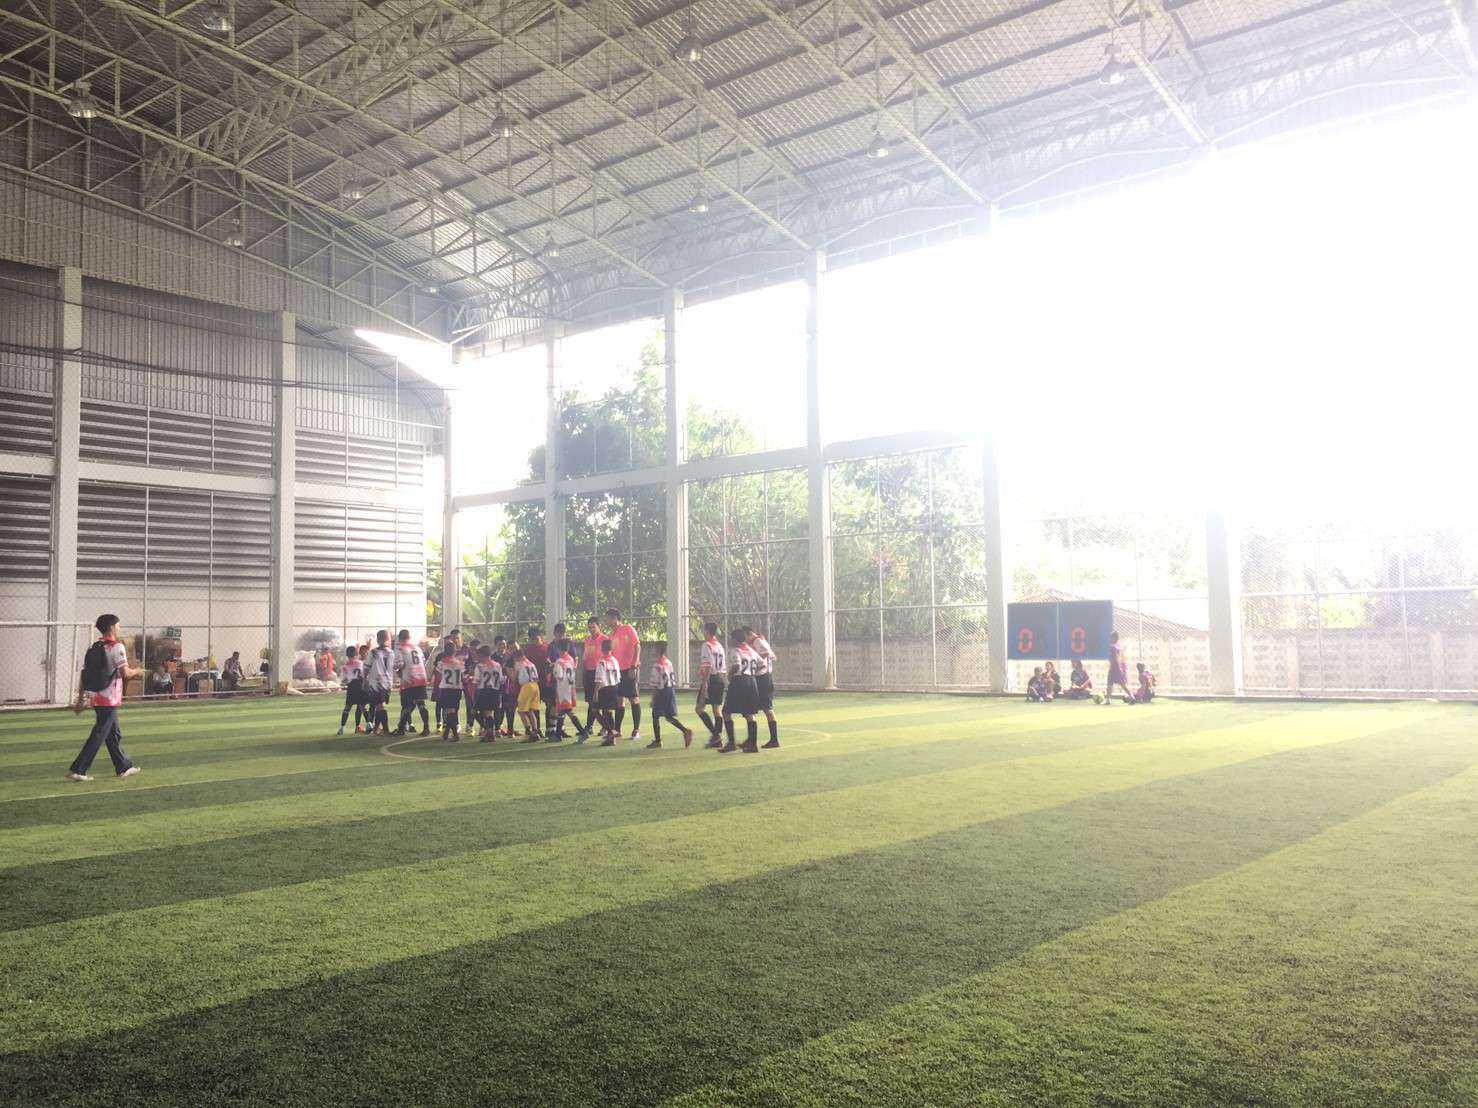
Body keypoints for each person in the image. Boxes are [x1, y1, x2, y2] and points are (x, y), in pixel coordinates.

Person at [66, 613, 141, 781]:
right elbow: (125, 673)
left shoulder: (94, 647)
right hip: (110, 698)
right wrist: (138, 671)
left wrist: (81, 698)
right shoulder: (117, 647)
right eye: (118, 625)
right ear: (112, 627)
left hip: (97, 696)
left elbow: (85, 674)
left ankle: (123, 766)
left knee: (113, 734)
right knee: (99, 734)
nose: (120, 628)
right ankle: (78, 769)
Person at [720, 628, 761, 753]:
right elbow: (762, 664)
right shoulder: (751, 650)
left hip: (739, 682)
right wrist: (751, 673)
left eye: (732, 638)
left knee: (726, 712)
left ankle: (731, 743)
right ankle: (753, 745)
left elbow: (737, 665)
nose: (730, 641)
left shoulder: (736, 650)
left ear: (735, 639)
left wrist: (730, 675)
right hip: (752, 681)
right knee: (750, 713)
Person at [646, 641, 693, 749]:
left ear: (658, 650)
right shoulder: (668, 662)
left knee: (655, 715)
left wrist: (653, 699)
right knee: (668, 716)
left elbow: (655, 684)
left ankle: (658, 741)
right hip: (670, 690)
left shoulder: (657, 665)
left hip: (662, 691)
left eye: (655, 648)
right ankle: (685, 731)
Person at [606, 608, 642, 740]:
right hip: (617, 672)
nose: (606, 621)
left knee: (633, 698)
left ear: (615, 618)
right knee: (619, 700)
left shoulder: (628, 629)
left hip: (630, 669)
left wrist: (634, 666)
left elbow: (637, 646)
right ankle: (617, 730)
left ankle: (636, 730)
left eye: (608, 619)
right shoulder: (611, 635)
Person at [746, 626, 781, 749]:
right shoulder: (762, 640)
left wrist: (755, 658)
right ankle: (755, 739)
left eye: (746, 637)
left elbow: (766, 653)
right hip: (766, 677)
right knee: (761, 708)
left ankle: (773, 739)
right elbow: (773, 656)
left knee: (764, 708)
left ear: (749, 634)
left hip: (762, 678)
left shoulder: (757, 641)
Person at [392, 629, 431, 736]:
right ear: (409, 637)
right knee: (421, 704)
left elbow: (399, 664)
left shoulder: (400, 649)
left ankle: (401, 729)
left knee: (406, 705)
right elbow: (423, 660)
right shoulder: (417, 648)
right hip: (421, 677)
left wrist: (396, 669)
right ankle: (426, 728)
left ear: (400, 638)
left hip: (409, 679)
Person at [549, 637, 588, 743]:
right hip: (570, 688)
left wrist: (553, 669)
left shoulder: (559, 661)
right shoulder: (571, 659)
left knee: (567, 711)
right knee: (562, 712)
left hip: (562, 689)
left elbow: (559, 676)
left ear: (558, 648)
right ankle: (558, 735)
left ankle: (583, 732)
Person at [695, 621, 726, 749]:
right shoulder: (719, 645)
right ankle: (717, 738)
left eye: (704, 630)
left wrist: (705, 683)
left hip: (711, 679)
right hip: (720, 678)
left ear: (707, 631)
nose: (703, 632)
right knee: (716, 709)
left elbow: (708, 665)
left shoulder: (706, 645)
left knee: (699, 708)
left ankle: (716, 736)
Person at [363, 629, 395, 734]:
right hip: (388, 682)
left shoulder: (373, 652)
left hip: (377, 683)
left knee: (380, 706)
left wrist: (364, 680)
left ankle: (385, 729)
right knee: (378, 705)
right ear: (388, 639)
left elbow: (366, 668)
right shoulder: (391, 652)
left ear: (378, 639)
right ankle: (376, 728)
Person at [581, 616, 607, 737]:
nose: (591, 630)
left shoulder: (605, 639)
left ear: (599, 626)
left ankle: (605, 727)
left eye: (593, 627)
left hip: (600, 673)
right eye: (589, 627)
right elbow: (585, 658)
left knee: (603, 702)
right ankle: (589, 726)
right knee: (591, 701)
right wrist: (584, 673)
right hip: (589, 673)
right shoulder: (587, 640)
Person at [593, 639, 623, 745]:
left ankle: (611, 732)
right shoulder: (615, 660)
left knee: (595, 710)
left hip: (604, 688)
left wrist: (596, 692)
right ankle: (611, 738)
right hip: (614, 687)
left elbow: (599, 678)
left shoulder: (601, 661)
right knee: (609, 712)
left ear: (602, 649)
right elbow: (618, 677)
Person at [525, 626, 554, 735]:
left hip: (546, 681)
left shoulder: (548, 647)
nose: (534, 641)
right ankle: (537, 729)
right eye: (532, 639)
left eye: (536, 638)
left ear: (540, 636)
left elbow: (553, 662)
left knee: (549, 704)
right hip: (534, 682)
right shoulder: (528, 650)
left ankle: (549, 729)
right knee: (534, 706)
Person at [434, 645, 466, 741]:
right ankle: (447, 733)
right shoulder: (460, 663)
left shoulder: (441, 663)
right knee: (453, 711)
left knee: (449, 711)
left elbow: (438, 677)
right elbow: (463, 677)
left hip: (446, 689)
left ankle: (455, 735)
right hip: (457, 689)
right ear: (454, 652)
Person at [472, 645, 503, 741]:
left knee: (476, 712)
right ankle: (489, 732)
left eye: (478, 655)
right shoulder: (497, 665)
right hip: (495, 691)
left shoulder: (480, 666)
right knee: (489, 713)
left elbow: (476, 681)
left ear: (481, 655)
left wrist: (474, 693)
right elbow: (501, 680)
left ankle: (489, 732)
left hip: (484, 691)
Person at [514, 647, 543, 742]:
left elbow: (515, 677)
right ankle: (535, 731)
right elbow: (537, 677)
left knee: (521, 710)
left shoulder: (519, 663)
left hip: (526, 686)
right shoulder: (531, 663)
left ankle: (528, 732)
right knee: (531, 710)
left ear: (518, 657)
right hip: (535, 685)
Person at [338, 645, 366, 735]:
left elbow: (344, 680)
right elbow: (363, 675)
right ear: (356, 653)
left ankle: (342, 728)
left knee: (347, 708)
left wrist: (346, 681)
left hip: (351, 687)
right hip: (360, 686)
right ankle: (367, 725)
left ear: (347, 654)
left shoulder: (345, 666)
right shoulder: (360, 663)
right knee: (362, 707)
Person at [1104, 631, 1134, 705]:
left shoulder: (1113, 647)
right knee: (1113, 683)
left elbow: (1115, 658)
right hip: (1118, 667)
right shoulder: (1118, 646)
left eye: (1111, 638)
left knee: (1115, 684)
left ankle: (1131, 696)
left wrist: (1118, 668)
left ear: (1114, 638)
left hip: (1115, 667)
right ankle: (1108, 700)